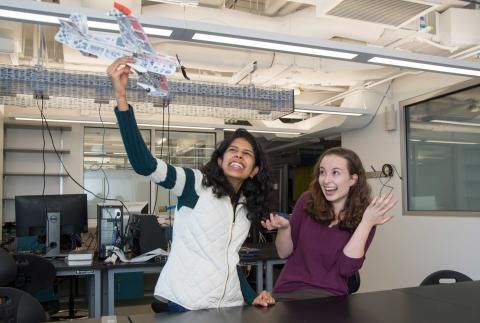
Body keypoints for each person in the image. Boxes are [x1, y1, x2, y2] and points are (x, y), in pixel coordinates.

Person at [107, 56, 275, 311]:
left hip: (227, 305)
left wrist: (251, 296)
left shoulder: (244, 208)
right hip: (186, 302)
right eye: (232, 150)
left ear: (254, 171)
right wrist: (121, 99)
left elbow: (228, 262)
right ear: (220, 161)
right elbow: (145, 164)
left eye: (247, 153)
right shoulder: (195, 184)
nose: (239, 155)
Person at [261, 147, 396, 301]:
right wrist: (285, 228)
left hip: (330, 297)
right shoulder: (307, 201)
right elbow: (283, 253)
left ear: (353, 179)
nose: (326, 180)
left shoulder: (366, 216)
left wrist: (366, 223)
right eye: (322, 172)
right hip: (286, 292)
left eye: (335, 173)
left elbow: (346, 268)